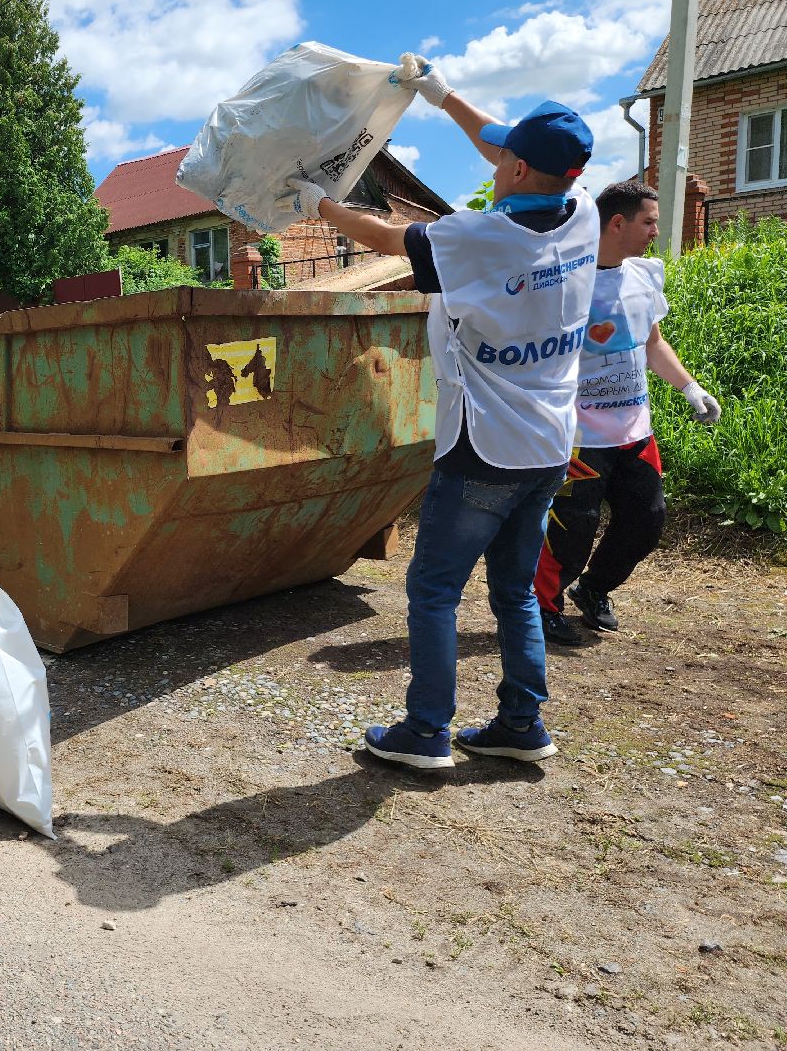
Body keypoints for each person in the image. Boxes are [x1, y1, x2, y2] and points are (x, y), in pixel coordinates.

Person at [287, 59, 598, 769]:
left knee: (433, 590)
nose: (498, 156)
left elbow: (388, 240)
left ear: (518, 168)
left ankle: (426, 731)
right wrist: (442, 95)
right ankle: (523, 724)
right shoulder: (583, 214)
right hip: (550, 445)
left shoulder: (477, 238)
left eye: (507, 155)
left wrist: (319, 206)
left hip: (483, 446)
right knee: (515, 591)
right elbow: (505, 148)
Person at [535, 180, 720, 646]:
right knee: (572, 528)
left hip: (634, 431)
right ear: (617, 222)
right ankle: (542, 609)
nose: (656, 231)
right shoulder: (564, 278)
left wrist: (690, 387)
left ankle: (593, 589)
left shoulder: (644, 275)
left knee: (646, 521)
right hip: (578, 436)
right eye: (649, 222)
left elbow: (653, 343)